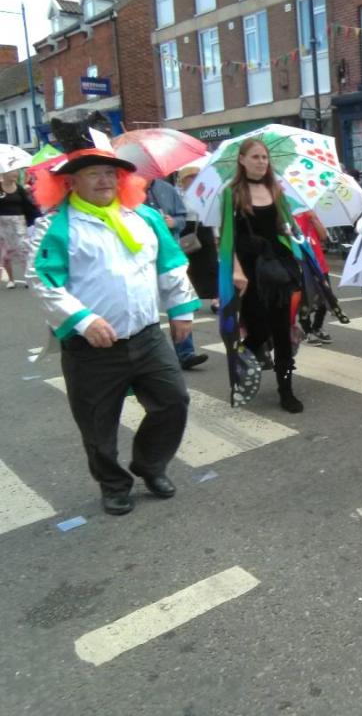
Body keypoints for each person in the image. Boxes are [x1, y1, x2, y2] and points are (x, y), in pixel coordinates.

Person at [26, 113, 198, 516]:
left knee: (173, 402)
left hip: (147, 335)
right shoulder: (54, 227)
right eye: (93, 174)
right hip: (91, 348)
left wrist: (180, 308)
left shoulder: (145, 217)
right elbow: (44, 282)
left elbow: (171, 264)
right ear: (70, 181)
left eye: (110, 172)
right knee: (97, 426)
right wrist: (83, 320)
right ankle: (113, 483)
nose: (105, 180)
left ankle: (150, 465)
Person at [219, 138, 306, 413]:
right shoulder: (231, 193)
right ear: (242, 160)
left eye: (265, 158)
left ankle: (286, 389)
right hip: (249, 270)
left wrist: (290, 234)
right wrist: (235, 269)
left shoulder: (276, 190)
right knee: (258, 329)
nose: (261, 162)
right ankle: (250, 349)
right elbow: (227, 237)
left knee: (281, 332)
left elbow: (287, 227)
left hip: (276, 268)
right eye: (255, 157)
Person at [146, 174, 208, 370]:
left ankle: (186, 353)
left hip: (169, 253)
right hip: (142, 256)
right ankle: (151, 358)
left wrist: (173, 222)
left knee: (179, 302)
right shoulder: (124, 190)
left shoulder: (166, 189)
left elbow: (183, 218)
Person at [176, 165, 220, 313]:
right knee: (189, 268)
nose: (194, 179)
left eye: (196, 176)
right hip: (187, 230)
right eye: (190, 177)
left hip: (204, 230)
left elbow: (213, 214)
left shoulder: (206, 193)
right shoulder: (178, 195)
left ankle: (216, 298)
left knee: (211, 265)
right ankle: (191, 298)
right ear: (183, 179)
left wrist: (216, 234)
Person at [293, 208, 333, 345]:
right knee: (305, 300)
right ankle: (307, 330)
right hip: (301, 266)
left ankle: (317, 327)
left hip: (319, 265)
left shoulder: (309, 214)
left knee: (326, 297)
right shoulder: (286, 217)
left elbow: (323, 236)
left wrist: (314, 219)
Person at [0, 166, 40, 288]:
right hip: (2, 224)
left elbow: (28, 206)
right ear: (5, 173)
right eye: (13, 171)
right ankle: (11, 280)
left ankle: (28, 277)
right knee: (5, 254)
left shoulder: (19, 188)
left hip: (18, 224)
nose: (16, 173)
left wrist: (38, 218)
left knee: (24, 251)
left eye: (17, 171)